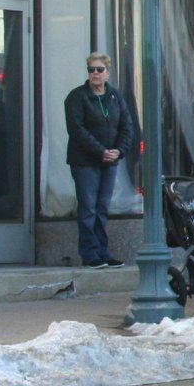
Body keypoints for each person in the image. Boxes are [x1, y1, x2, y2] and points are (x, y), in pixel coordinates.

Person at [64, 51, 136, 269]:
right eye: (91, 69)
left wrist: (118, 151)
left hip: (109, 161)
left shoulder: (115, 96)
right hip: (85, 161)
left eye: (99, 69)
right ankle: (90, 254)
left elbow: (127, 126)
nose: (95, 74)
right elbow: (77, 129)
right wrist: (101, 151)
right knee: (88, 207)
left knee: (102, 207)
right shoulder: (77, 97)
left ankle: (103, 252)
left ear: (107, 72)